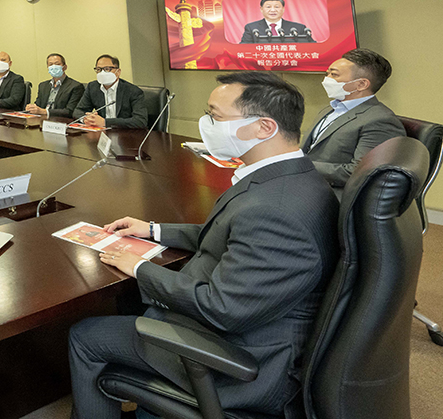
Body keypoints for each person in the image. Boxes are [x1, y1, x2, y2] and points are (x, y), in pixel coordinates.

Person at [68, 72, 338, 419]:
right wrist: (154, 231)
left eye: (216, 116)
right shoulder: (290, 177)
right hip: (248, 324)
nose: (206, 123)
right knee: (128, 307)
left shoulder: (276, 210)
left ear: (264, 128)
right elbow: (231, 234)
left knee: (86, 334)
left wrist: (138, 267)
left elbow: (224, 307)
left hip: (241, 362)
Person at [304, 48, 404, 193]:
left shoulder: (381, 121)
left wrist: (299, 165)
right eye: (327, 74)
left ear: (361, 84)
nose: (327, 80)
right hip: (306, 183)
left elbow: (359, 172)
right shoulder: (330, 109)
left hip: (332, 194)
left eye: (334, 75)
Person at [74, 54, 148, 129]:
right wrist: (86, 119)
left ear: (118, 72)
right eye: (99, 69)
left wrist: (105, 122)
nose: (102, 73)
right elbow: (78, 110)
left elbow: (140, 121)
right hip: (102, 133)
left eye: (107, 69)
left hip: (126, 134)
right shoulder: (93, 87)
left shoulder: (133, 91)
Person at [26, 53, 85, 118]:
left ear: (65, 67)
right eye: (51, 64)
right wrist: (32, 108)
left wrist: (45, 111)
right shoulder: (43, 85)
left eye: (57, 64)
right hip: (43, 120)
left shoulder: (76, 86)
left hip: (61, 121)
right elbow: (38, 105)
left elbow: (70, 111)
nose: (54, 67)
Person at [239, 0, 314, 43]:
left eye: (277, 7)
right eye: (268, 7)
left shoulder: (298, 28)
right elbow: (243, 49)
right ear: (261, 9)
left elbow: (313, 47)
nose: (272, 10)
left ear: (283, 9)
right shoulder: (252, 28)